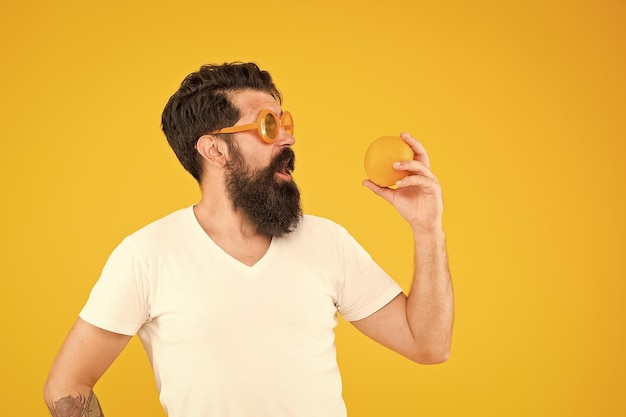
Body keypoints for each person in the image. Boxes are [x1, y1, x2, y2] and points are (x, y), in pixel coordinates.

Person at [43, 62, 454, 417]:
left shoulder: (328, 242)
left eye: (285, 122)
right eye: (267, 125)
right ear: (214, 149)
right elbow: (67, 386)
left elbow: (428, 344)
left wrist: (426, 228)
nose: (288, 138)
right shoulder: (147, 255)